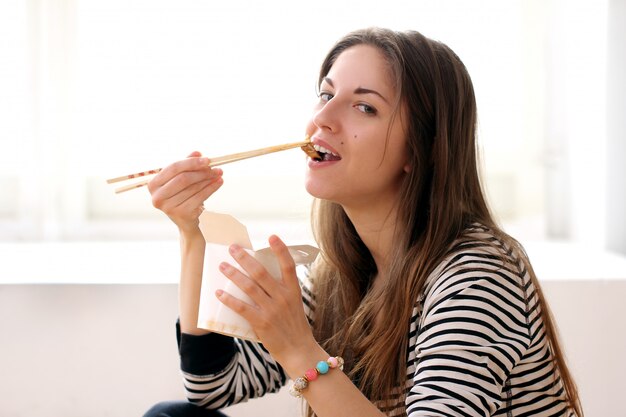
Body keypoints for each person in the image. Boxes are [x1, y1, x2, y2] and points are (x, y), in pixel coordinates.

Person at [143, 27, 583, 417]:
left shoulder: (477, 275)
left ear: (420, 150)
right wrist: (192, 231)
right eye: (326, 94)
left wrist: (298, 348)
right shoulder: (340, 271)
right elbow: (212, 387)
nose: (322, 119)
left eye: (365, 108)